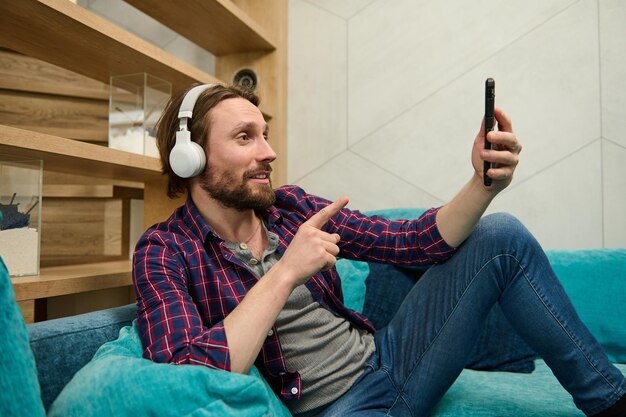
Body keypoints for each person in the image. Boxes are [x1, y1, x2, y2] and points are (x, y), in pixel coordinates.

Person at [132, 83, 626, 417]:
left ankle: (612, 401)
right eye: (245, 137)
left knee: (501, 235)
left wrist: (482, 182)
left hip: (390, 357)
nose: (269, 152)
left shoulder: (291, 208)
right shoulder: (163, 251)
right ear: (189, 158)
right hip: (341, 408)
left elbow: (413, 242)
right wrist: (283, 274)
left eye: (265, 134)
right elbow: (190, 375)